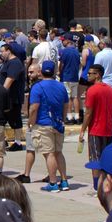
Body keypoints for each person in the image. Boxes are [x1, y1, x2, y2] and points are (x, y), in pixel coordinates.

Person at [28, 58, 71, 192]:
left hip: (43, 123)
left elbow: (34, 107)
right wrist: (62, 119)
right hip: (58, 123)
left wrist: (31, 122)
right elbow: (65, 105)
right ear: (54, 72)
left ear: (41, 72)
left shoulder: (37, 87)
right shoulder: (61, 86)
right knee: (59, 152)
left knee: (49, 154)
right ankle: (64, 181)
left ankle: (53, 182)